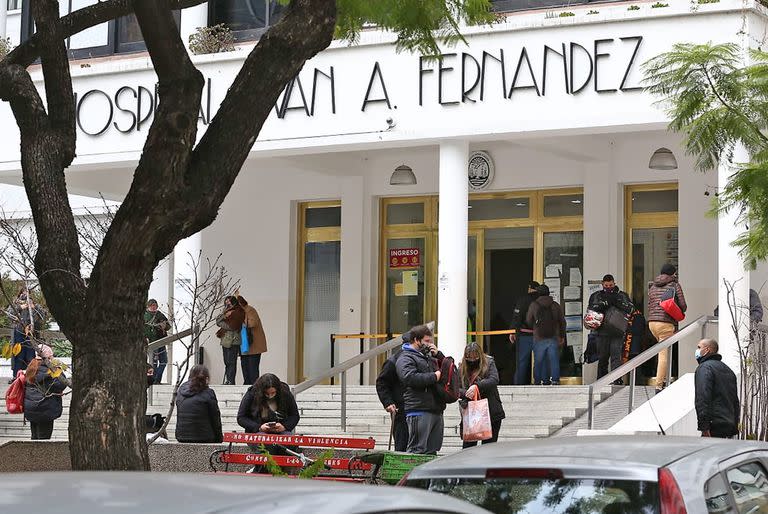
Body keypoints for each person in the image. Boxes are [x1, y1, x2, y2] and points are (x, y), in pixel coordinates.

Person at [395, 324, 445, 455]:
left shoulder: (429, 356)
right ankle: (411, 476)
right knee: (417, 450)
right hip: (419, 409)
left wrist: (439, 355)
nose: (430, 344)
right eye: (427, 341)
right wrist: (434, 376)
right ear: (416, 340)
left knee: (431, 451)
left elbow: (448, 370)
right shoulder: (405, 357)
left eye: (431, 341)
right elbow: (409, 378)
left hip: (435, 408)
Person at [647, 263, 687, 393]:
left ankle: (662, 378)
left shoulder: (652, 286)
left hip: (652, 323)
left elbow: (649, 304)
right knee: (663, 354)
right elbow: (683, 305)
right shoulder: (674, 285)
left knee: (660, 350)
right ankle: (659, 385)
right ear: (672, 273)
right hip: (665, 323)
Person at [587, 274, 634, 382]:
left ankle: (616, 379)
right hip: (601, 331)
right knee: (602, 357)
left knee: (616, 356)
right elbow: (591, 309)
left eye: (611, 285)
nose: (608, 287)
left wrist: (618, 302)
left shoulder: (621, 295)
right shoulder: (596, 296)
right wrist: (604, 304)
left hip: (617, 331)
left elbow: (631, 309)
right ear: (602, 284)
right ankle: (602, 380)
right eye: (606, 285)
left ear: (614, 284)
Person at [458, 342, 505, 447]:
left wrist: (477, 386)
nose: (472, 360)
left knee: (488, 448)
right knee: (468, 448)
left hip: (491, 411)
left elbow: (494, 379)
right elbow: (456, 388)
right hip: (471, 413)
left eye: (475, 357)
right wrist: (466, 393)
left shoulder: (489, 362)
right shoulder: (462, 367)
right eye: (469, 357)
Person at [694, 339, 739, 439]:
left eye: (699, 347)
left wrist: (704, 427)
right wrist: (734, 427)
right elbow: (735, 401)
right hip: (729, 426)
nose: (697, 350)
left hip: (713, 426)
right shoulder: (728, 370)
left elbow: (702, 398)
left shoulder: (704, 368)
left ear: (707, 350)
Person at [24, 344, 69, 440]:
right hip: (45, 408)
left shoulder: (31, 367)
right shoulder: (51, 370)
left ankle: (32, 454)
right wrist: (58, 368)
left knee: (35, 436)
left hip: (31, 408)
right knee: (44, 438)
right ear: (48, 357)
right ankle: (40, 455)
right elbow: (61, 385)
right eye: (52, 356)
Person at [526, 284, 566, 385]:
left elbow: (528, 320)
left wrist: (536, 327)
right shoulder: (555, 305)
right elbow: (562, 321)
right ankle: (555, 380)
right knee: (554, 360)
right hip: (553, 337)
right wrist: (562, 336)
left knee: (539, 361)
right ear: (549, 293)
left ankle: (538, 381)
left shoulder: (534, 305)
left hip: (539, 337)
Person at [375, 332, 409, 452]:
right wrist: (388, 402)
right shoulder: (393, 361)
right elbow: (381, 383)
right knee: (402, 444)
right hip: (400, 409)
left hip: (414, 408)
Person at [6, 290, 48, 382]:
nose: (25, 295)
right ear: (20, 293)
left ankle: (31, 377)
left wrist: (35, 307)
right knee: (18, 355)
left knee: (31, 356)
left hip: (31, 334)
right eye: (23, 292)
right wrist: (19, 308)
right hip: (18, 333)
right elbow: (9, 315)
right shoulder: (15, 303)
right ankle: (16, 377)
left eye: (27, 292)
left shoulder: (34, 304)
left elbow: (43, 316)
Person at [175, 364, 223, 443]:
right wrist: (219, 439)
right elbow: (215, 418)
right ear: (206, 378)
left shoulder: (181, 390)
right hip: (204, 437)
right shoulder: (208, 393)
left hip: (181, 436)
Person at [509, 281, 540, 385]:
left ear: (529, 288)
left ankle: (518, 384)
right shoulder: (541, 301)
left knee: (522, 362)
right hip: (539, 335)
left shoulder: (523, 300)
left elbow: (517, 317)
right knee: (539, 361)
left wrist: (513, 331)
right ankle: (538, 383)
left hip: (524, 335)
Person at [237, 295, 268, 386]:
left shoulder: (250, 310)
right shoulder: (240, 311)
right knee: (245, 367)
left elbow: (253, 323)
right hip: (244, 345)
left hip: (253, 344)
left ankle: (255, 387)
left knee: (252, 368)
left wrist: (240, 322)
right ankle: (247, 385)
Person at [216, 296, 245, 385]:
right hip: (225, 340)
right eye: (226, 302)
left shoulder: (239, 311)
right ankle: (228, 379)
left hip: (233, 340)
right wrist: (224, 316)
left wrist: (222, 323)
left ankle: (231, 381)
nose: (228, 304)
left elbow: (232, 326)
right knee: (226, 361)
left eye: (229, 302)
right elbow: (217, 320)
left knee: (231, 362)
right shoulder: (226, 311)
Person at [144, 299, 170, 384]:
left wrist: (164, 326)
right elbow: (143, 329)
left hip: (161, 341)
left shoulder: (160, 315)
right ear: (148, 306)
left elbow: (168, 326)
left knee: (164, 361)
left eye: (155, 305)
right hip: (152, 342)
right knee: (153, 363)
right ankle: (153, 380)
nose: (153, 307)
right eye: (151, 305)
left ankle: (157, 379)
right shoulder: (145, 315)